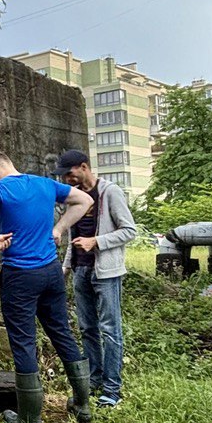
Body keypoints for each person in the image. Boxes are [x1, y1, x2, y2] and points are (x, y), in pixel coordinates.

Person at [0, 152, 94, 423]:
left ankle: (30, 420)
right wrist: (59, 227)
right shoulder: (45, 184)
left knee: (24, 342)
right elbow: (85, 200)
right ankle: (83, 406)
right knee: (62, 332)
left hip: (20, 276)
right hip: (50, 273)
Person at [55, 149, 137, 408]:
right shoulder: (75, 198)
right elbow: (74, 236)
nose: (67, 179)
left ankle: (112, 389)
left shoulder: (109, 192)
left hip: (106, 272)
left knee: (110, 330)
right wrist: (64, 269)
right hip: (81, 270)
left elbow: (129, 230)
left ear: (84, 167)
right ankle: (94, 379)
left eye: (70, 173)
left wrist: (97, 242)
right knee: (87, 329)